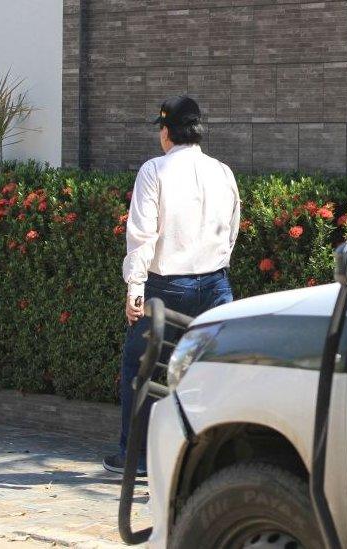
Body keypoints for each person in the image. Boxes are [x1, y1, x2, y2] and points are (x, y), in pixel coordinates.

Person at [102, 95, 240, 475]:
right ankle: (209, 461)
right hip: (216, 286)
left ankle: (138, 458)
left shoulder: (154, 171)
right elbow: (231, 231)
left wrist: (135, 287)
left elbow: (142, 236)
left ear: (166, 132)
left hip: (166, 288)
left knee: (141, 369)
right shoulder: (223, 172)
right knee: (210, 374)